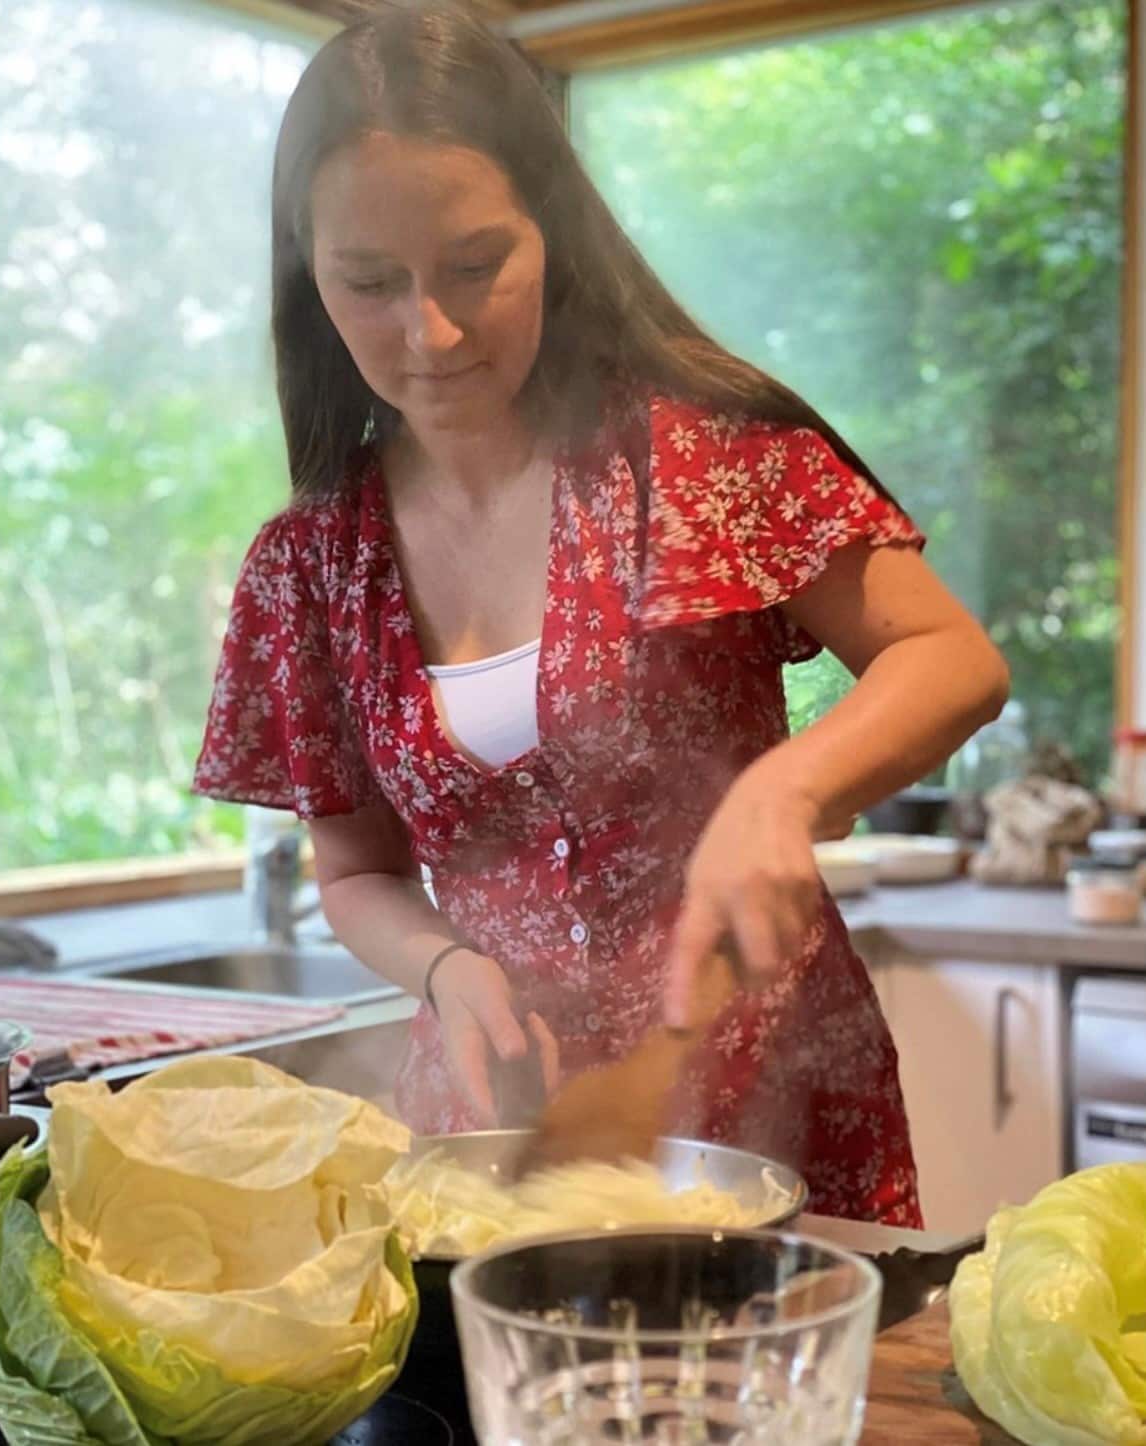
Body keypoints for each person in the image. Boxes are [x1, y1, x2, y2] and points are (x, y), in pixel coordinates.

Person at [194, 0, 1009, 1225]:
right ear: (312, 279)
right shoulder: (310, 566)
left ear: (551, 235)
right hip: (500, 1144)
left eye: (476, 265)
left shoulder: (700, 457)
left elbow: (951, 658)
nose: (433, 331)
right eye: (370, 281)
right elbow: (356, 869)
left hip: (773, 1113)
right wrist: (447, 967)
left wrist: (783, 793)